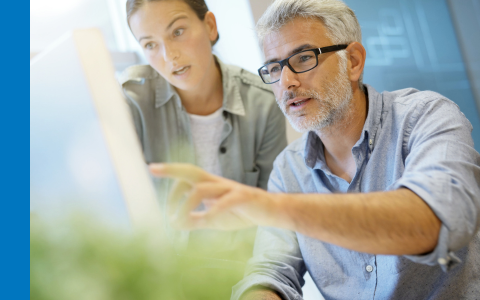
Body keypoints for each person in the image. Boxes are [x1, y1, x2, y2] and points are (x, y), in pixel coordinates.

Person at [149, 0, 480, 299]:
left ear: (352, 61)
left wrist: (268, 206)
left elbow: (433, 222)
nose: (286, 82)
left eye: (304, 58)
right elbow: (271, 272)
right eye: (275, 68)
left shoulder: (426, 116)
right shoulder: (288, 170)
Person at [119, 0, 287, 263]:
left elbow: (275, 213)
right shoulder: (129, 104)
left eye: (177, 32)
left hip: (244, 266)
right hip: (165, 271)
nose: (168, 56)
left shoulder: (263, 102)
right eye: (150, 44)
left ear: (209, 26)